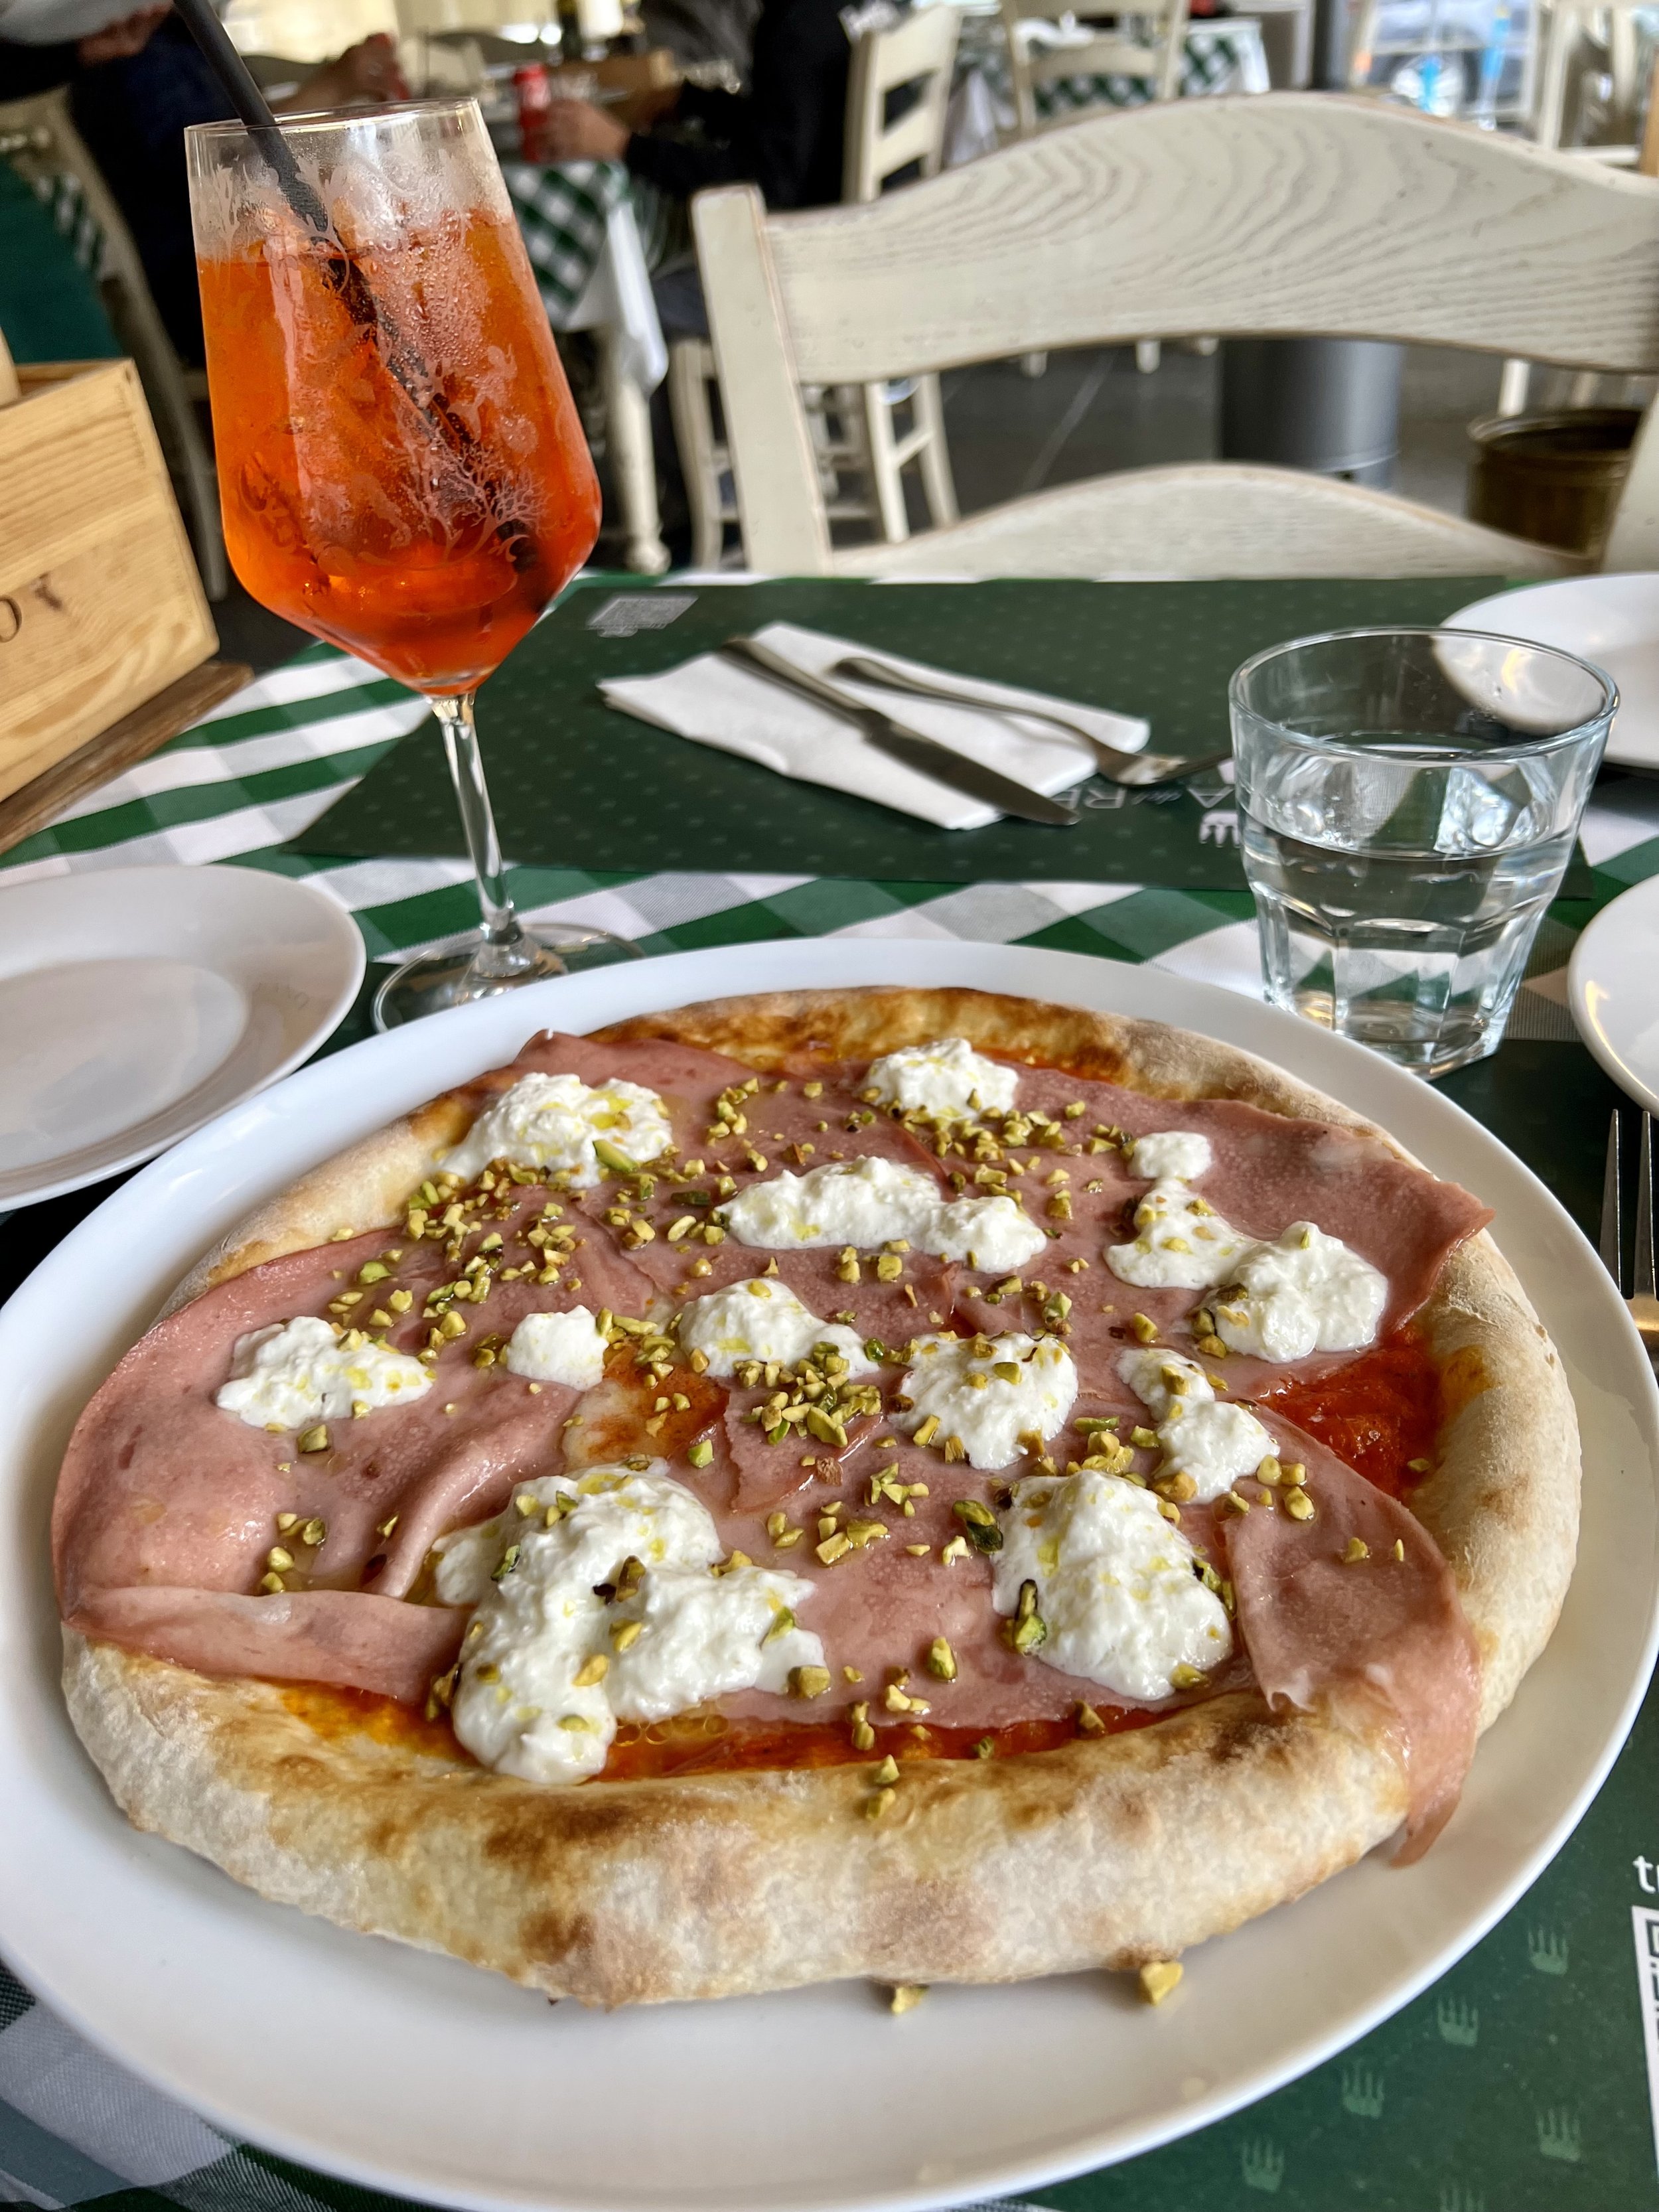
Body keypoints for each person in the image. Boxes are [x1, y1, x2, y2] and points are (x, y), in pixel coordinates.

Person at [0, 5, 407, 364]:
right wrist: (331, 88)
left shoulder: (176, 40)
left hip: (252, 252)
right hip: (199, 282)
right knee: (390, 295)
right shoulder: (145, 58)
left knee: (399, 276)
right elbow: (213, 172)